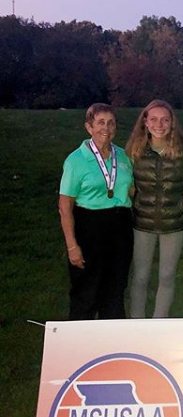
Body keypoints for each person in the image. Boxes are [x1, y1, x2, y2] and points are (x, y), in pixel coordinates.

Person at [58, 103, 134, 320]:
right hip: (89, 227)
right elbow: (65, 207)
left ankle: (112, 347)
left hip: (120, 227)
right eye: (100, 122)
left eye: (111, 123)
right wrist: (72, 245)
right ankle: (80, 349)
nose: (106, 128)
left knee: (115, 290)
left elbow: (131, 189)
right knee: (86, 291)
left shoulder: (123, 156)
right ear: (88, 127)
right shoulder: (76, 160)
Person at [126, 100, 183, 318]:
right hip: (142, 224)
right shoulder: (134, 150)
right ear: (145, 121)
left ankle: (158, 324)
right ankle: (137, 324)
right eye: (153, 119)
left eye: (165, 119)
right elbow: (126, 184)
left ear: (172, 122)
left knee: (167, 275)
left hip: (174, 225)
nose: (159, 124)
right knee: (140, 277)